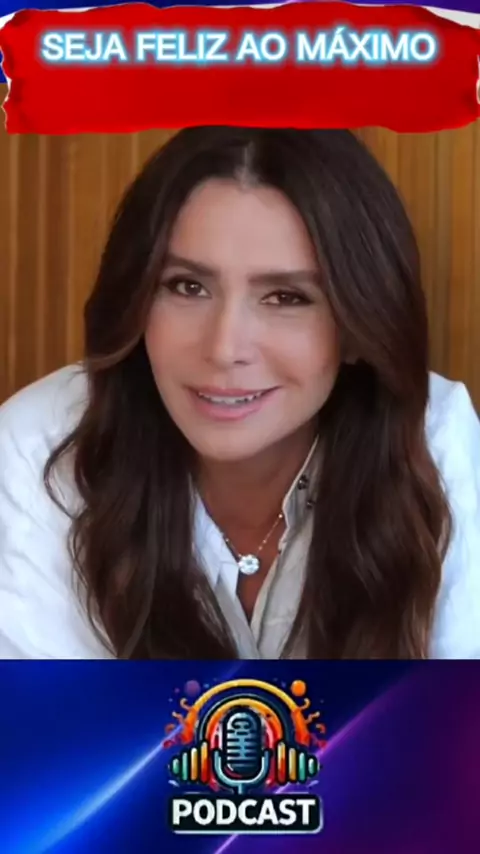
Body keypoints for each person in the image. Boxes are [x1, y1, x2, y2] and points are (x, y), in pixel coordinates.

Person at [0, 127, 479, 660]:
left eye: (286, 297)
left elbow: (458, 709)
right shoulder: (38, 446)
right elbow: (52, 713)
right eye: (187, 286)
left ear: (358, 326)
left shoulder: (433, 443)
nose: (225, 348)